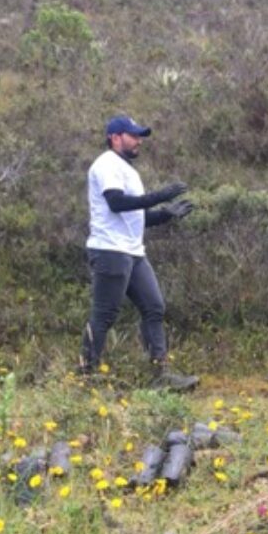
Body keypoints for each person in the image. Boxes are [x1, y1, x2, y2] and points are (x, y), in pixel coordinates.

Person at [79, 115, 198, 391]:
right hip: (110, 250)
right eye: (133, 135)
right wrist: (160, 196)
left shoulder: (129, 171)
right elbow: (117, 203)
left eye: (139, 135)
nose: (139, 141)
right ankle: (87, 376)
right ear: (115, 138)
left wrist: (166, 215)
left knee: (154, 307)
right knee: (104, 315)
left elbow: (136, 216)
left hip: (132, 252)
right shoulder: (106, 164)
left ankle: (160, 374)